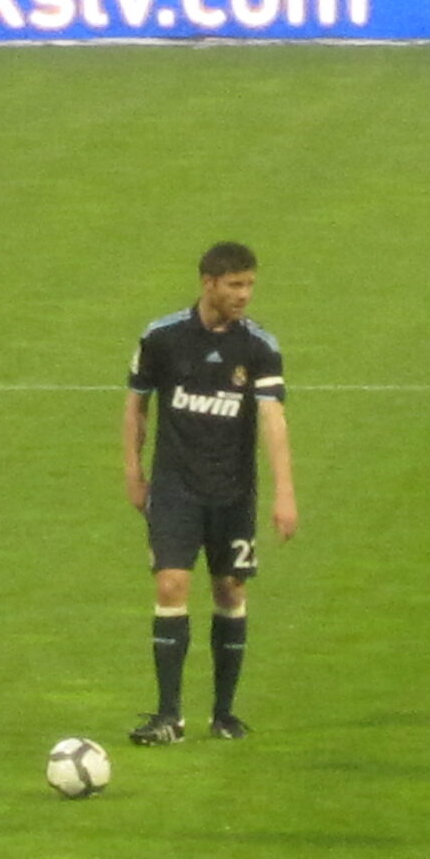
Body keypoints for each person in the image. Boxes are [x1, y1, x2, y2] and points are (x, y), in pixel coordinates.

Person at [122, 242, 298, 744]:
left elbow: (273, 419)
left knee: (229, 591)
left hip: (233, 494)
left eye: (250, 285)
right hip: (176, 490)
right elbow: (136, 406)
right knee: (171, 587)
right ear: (208, 283)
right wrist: (133, 471)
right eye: (235, 285)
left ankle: (223, 714)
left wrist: (284, 493)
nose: (245, 295)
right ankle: (168, 716)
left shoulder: (259, 346)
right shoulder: (162, 338)